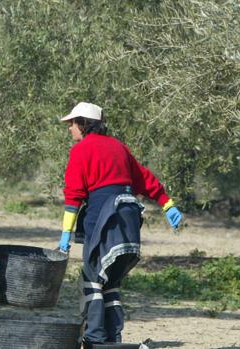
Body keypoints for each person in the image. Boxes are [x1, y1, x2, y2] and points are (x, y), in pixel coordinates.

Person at [57, 102, 183, 348]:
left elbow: (73, 196)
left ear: (83, 123)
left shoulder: (81, 151)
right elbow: (144, 179)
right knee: (111, 283)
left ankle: (94, 339)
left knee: (92, 280)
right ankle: (113, 338)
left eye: (72, 123)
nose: (69, 128)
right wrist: (168, 205)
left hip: (105, 219)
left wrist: (65, 235)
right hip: (129, 221)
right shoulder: (119, 147)